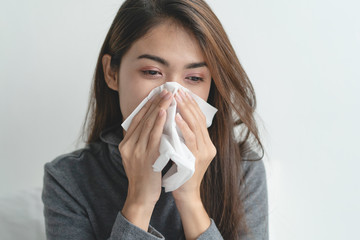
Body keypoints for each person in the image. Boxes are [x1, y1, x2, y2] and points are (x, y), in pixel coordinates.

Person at [42, 0, 269, 239]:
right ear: (112, 73)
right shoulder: (69, 179)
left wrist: (190, 200)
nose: (171, 95)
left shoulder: (242, 171)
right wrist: (139, 202)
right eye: (152, 72)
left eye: (193, 77)